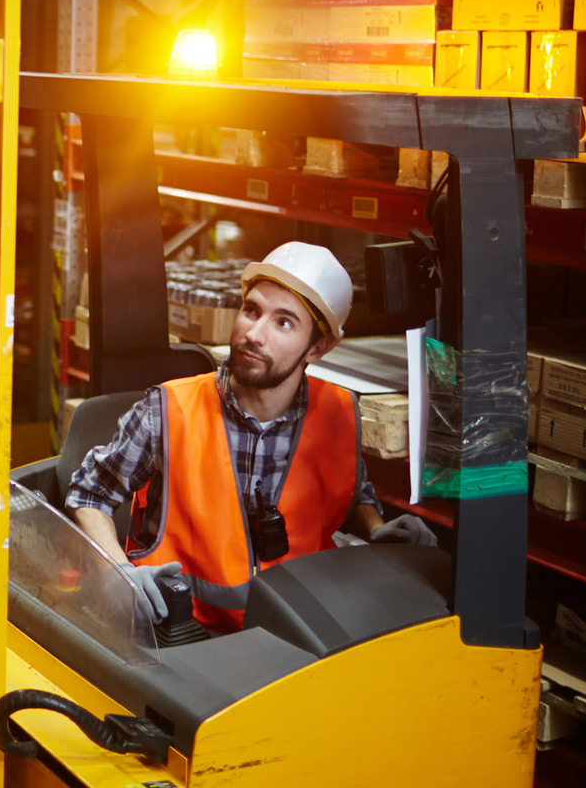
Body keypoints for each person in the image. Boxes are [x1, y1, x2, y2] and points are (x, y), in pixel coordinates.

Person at [65, 241, 437, 633]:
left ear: (319, 347)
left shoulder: (339, 414)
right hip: (180, 637)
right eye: (251, 310)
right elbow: (90, 494)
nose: (254, 334)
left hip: (297, 636)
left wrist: (376, 528)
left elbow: (350, 495)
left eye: (284, 323)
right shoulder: (168, 410)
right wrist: (120, 573)